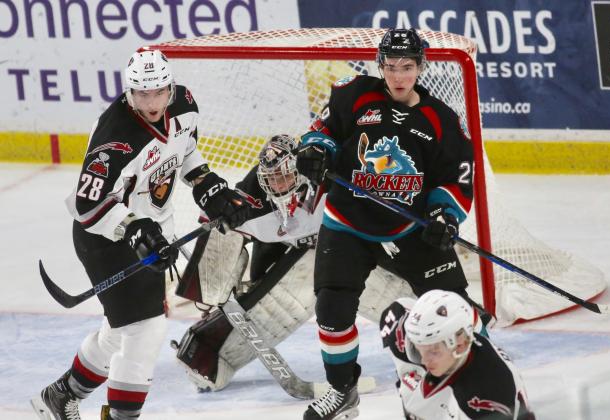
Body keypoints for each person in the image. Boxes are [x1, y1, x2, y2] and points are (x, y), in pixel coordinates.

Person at [30, 48, 247, 420]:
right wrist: (133, 228)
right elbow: (86, 206)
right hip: (104, 238)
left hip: (151, 234)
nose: (151, 102)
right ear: (130, 92)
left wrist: (210, 188)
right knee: (145, 328)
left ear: (171, 88)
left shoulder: (185, 105)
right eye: (141, 94)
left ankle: (60, 395)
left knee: (121, 330)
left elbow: (187, 153)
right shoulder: (115, 136)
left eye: (158, 92)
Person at [295, 28, 485, 420]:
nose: (399, 76)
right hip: (347, 221)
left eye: (408, 67)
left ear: (421, 67)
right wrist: (315, 151)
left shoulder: (440, 119)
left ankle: (484, 375)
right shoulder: (354, 95)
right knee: (331, 308)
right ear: (380, 66)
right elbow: (323, 131)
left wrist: (443, 216)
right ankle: (342, 391)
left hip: (408, 228)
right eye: (392, 66)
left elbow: (456, 177)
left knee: (456, 307)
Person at [171, 134, 418, 392]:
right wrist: (212, 287)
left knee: (396, 295)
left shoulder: (331, 180)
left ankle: (427, 335)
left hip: (351, 255)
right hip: (291, 265)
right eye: (272, 178)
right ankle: (211, 352)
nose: (277, 184)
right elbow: (217, 225)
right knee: (287, 295)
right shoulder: (255, 195)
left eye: (284, 176)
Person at [380, 290, 534, 419]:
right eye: (418, 349)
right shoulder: (399, 324)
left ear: (460, 345)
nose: (425, 360)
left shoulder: (487, 395)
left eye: (433, 351)